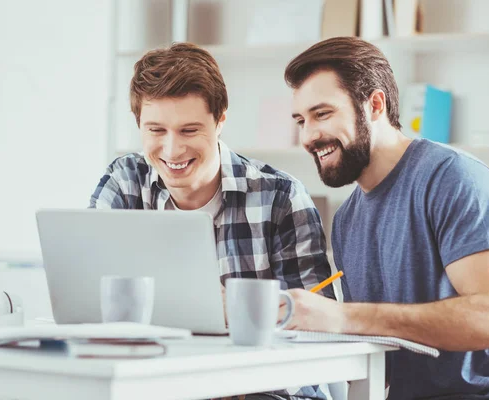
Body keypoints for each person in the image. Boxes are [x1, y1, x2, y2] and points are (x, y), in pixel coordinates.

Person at [281, 36, 489, 399]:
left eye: (323, 114)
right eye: (301, 120)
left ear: (375, 105)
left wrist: (344, 318)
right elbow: (374, 361)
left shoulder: (453, 178)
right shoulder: (347, 219)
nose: (308, 136)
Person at [89, 42, 335, 400]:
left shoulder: (280, 197)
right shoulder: (125, 182)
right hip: (157, 386)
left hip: (264, 391)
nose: (172, 151)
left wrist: (242, 313)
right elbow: (91, 300)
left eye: (189, 131)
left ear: (220, 121)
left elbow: (318, 328)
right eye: (156, 131)